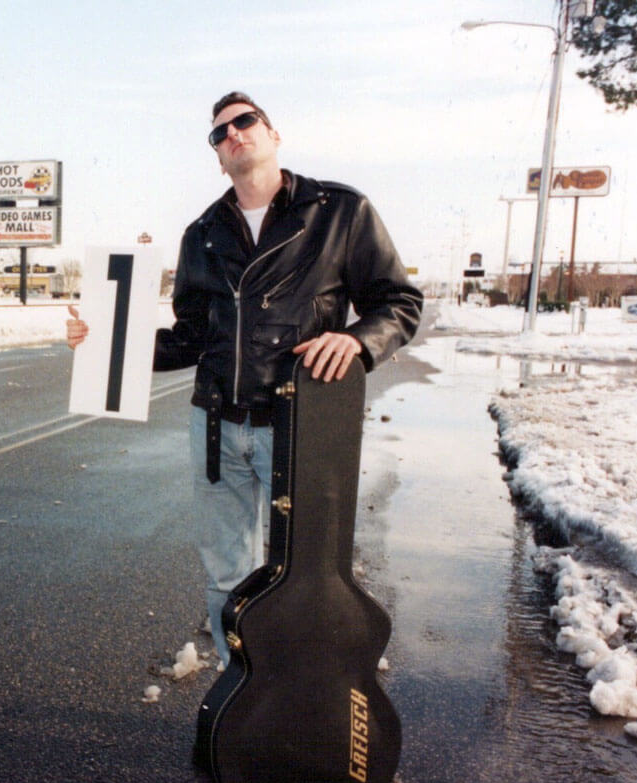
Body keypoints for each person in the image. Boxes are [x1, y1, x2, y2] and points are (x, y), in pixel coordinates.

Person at [67, 91, 422, 667]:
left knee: (308, 573)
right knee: (226, 575)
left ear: (272, 133)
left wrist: (357, 339)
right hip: (217, 428)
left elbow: (399, 302)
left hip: (301, 425)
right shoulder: (203, 233)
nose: (233, 134)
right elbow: (188, 339)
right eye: (219, 133)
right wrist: (105, 342)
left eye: (244, 121)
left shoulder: (339, 212)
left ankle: (304, 702)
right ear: (217, 157)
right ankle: (244, 694)